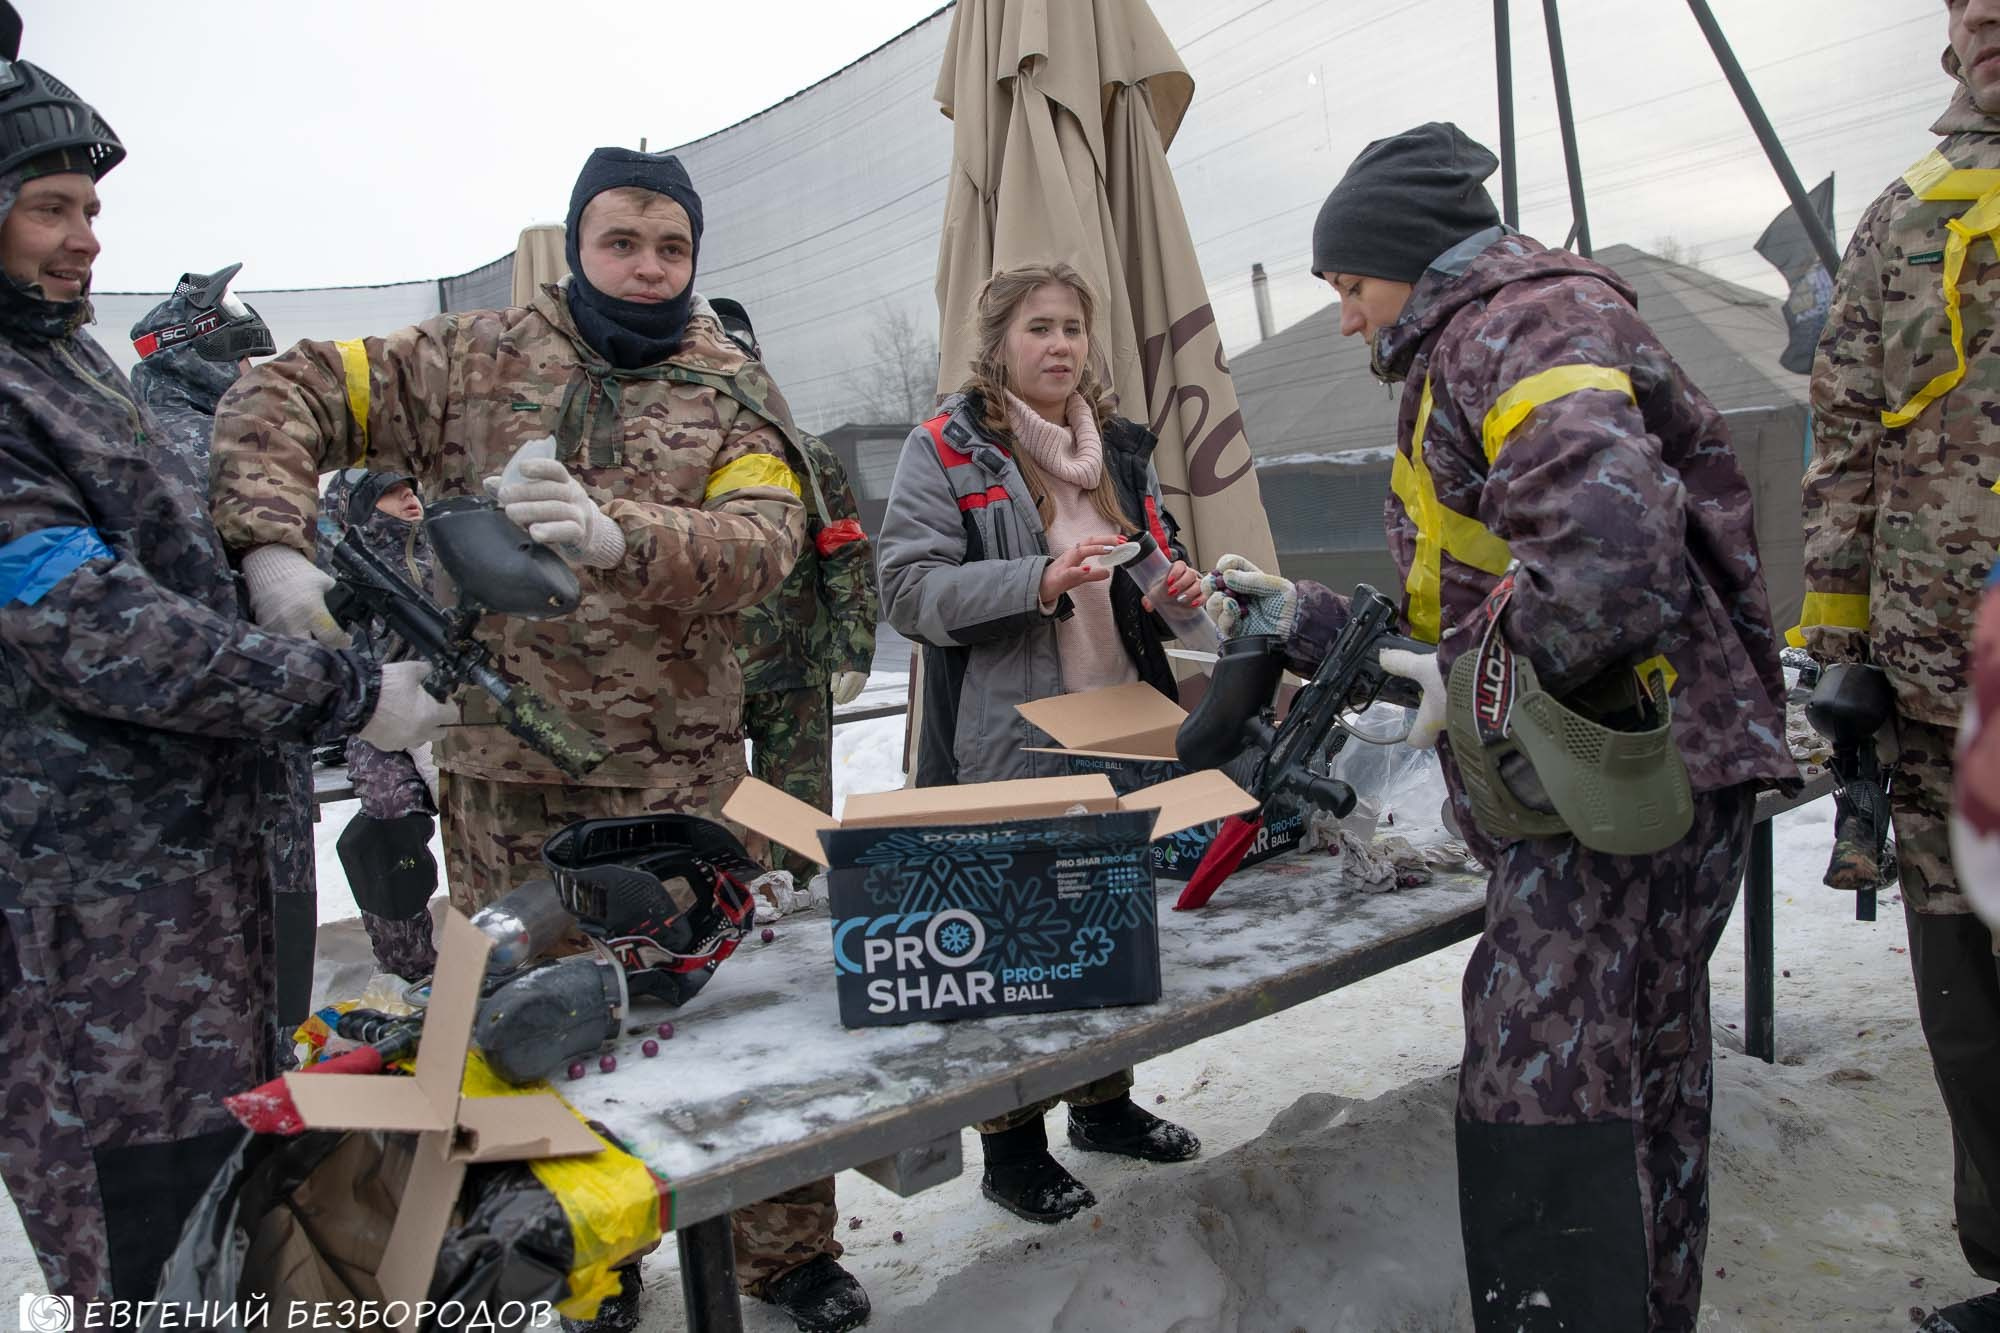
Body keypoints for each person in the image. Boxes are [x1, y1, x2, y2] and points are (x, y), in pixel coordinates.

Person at [206, 147, 866, 1333]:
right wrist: (271, 543)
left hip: (684, 776)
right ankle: (578, 1263)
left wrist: (623, 537)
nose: (649, 267)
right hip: (506, 782)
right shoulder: (467, 358)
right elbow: (284, 389)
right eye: (623, 241)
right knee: (521, 1034)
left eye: (672, 248)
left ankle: (783, 1246)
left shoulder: (732, 389)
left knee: (737, 1021)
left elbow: (764, 543)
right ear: (578, 245)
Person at [1207, 124, 1796, 1331]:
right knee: (1639, 1064)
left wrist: (1473, 684)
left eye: (1349, 287)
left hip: (1622, 774)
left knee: (1552, 1077)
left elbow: (1605, 558)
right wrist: (1312, 620)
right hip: (1634, 760)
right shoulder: (1494, 332)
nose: (1343, 319)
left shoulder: (1518, 327)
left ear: (1412, 263)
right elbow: (1484, 592)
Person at [0, 42, 451, 1303]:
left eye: (89, 209)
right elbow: (96, 630)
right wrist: (346, 691)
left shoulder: (66, 361)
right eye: (49, 208)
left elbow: (172, 566)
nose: (84, 238)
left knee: (233, 1219)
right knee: (147, 1250)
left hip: (204, 902)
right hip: (91, 936)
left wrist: (270, 560)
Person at [877, 261, 1206, 1224]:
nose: (1060, 345)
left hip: (1122, 717)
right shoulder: (946, 447)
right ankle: (1012, 1148)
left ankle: (1104, 1106)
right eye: (1039, 329)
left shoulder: (1116, 448)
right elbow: (908, 592)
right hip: (1011, 731)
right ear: (999, 345)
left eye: (1072, 327)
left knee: (1106, 925)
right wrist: (1037, 579)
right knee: (1017, 950)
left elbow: (1146, 555)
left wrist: (1171, 586)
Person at [1798, 6, 2000, 1326]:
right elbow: (1847, 439)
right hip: (1943, 705)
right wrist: (1839, 653)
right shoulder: (1904, 217)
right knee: (1972, 1017)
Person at [127, 265, 321, 1038]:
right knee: (264, 1004)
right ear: (193, 356)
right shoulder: (198, 451)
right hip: (239, 768)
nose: (252, 377)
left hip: (233, 766)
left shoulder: (146, 435)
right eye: (238, 360)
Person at [714, 296, 880, 896]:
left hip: (795, 671)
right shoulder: (671, 464)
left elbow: (845, 553)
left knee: (802, 838)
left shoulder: (805, 456)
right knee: (711, 832)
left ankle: (807, 944)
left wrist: (854, 645)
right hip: (702, 680)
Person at [322, 468, 445, 982]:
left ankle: (496, 945)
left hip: (457, 712)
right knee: (387, 828)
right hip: (378, 715)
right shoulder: (344, 562)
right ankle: (409, 965)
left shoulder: (447, 549)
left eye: (411, 489)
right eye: (392, 494)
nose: (409, 498)